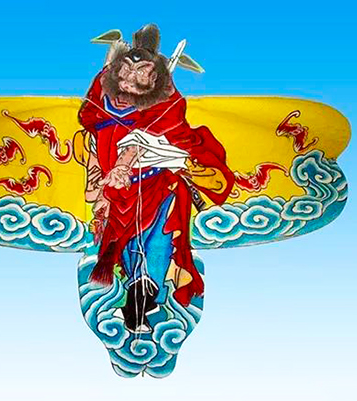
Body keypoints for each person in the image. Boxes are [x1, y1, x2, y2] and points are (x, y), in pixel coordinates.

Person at [78, 24, 235, 333]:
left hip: (158, 184)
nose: (128, 79)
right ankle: (136, 296)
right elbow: (89, 117)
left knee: (159, 240)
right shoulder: (103, 86)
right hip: (117, 189)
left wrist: (125, 163)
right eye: (125, 70)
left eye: (141, 73)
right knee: (126, 245)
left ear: (155, 77)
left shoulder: (167, 102)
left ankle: (142, 297)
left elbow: (155, 135)